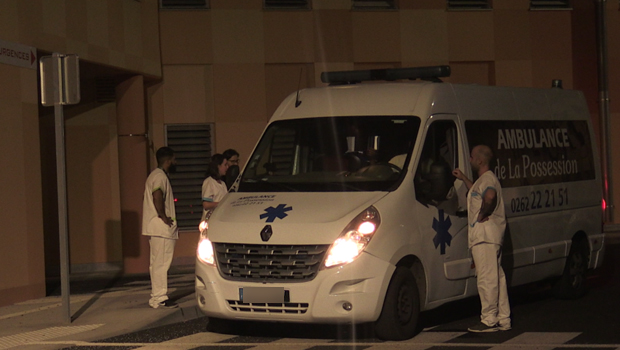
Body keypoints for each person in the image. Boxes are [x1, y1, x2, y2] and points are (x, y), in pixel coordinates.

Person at [452, 145, 511, 332]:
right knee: (497, 278)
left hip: (485, 237)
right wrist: (463, 178)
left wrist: (482, 214)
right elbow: (478, 192)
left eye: (471, 157)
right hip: (490, 237)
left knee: (486, 279)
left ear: (479, 161)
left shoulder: (488, 180)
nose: (469, 160)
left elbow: (490, 196)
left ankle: (488, 320)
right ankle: (503, 318)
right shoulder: (484, 180)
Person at [142, 146, 179, 309]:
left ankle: (157, 296)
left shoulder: (155, 175)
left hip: (156, 228)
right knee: (161, 263)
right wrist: (164, 217)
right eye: (174, 159)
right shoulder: (159, 176)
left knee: (157, 263)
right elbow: (157, 196)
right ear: (168, 160)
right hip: (161, 228)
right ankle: (160, 297)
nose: (175, 162)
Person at [202, 153, 230, 220]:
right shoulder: (209, 182)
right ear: (218, 166)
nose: (227, 167)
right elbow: (206, 204)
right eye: (225, 165)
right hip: (211, 219)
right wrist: (221, 204)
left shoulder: (223, 183)